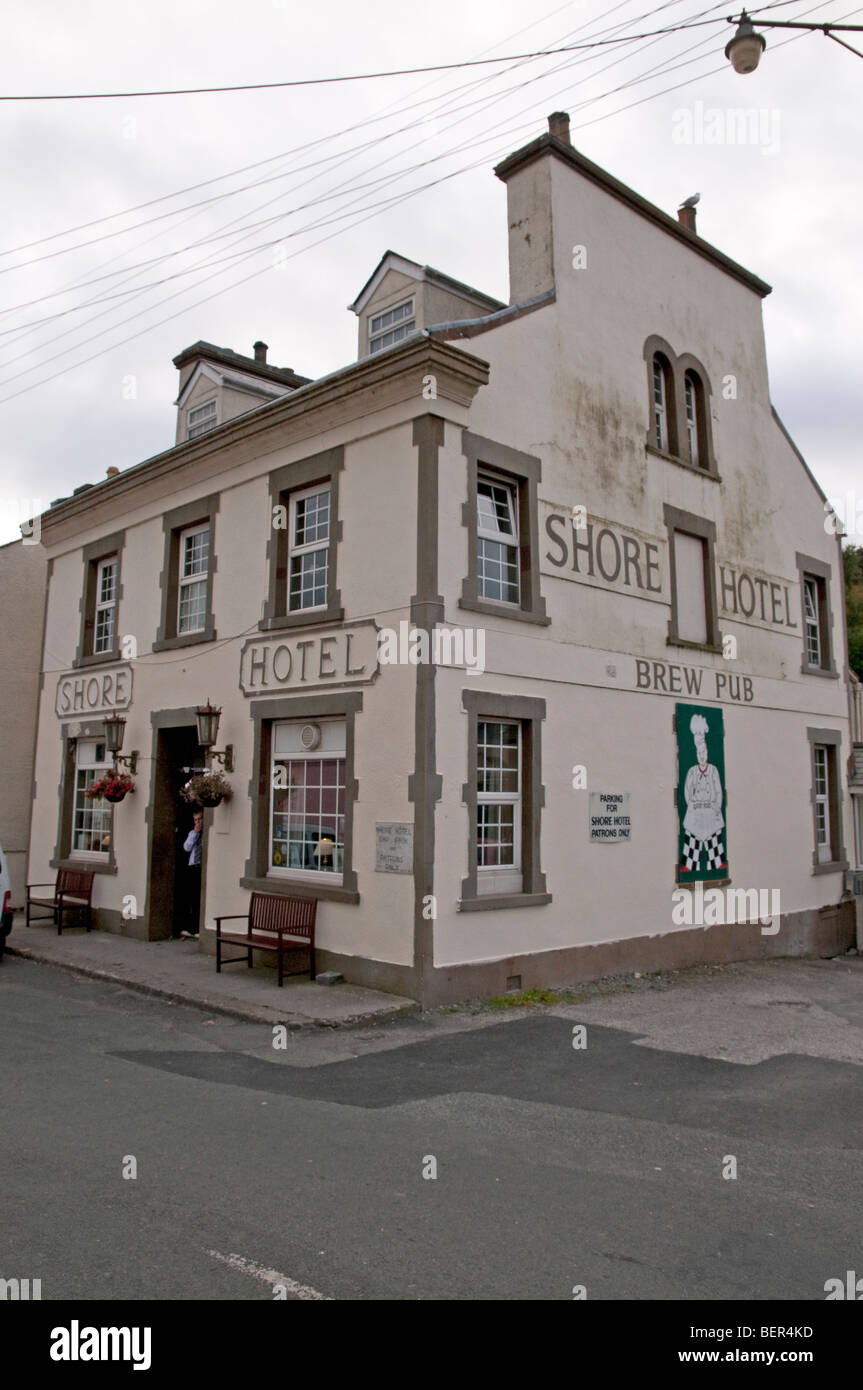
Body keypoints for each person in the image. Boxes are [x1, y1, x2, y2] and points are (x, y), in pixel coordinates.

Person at [681, 714, 726, 874]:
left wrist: (716, 807)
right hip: (696, 808)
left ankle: (717, 862)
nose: (702, 756)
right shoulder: (692, 771)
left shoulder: (713, 770)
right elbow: (687, 789)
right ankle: (689, 864)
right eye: (699, 753)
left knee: (714, 837)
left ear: (707, 753)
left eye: (704, 752)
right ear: (697, 754)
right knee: (692, 837)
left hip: (710, 807)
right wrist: (692, 804)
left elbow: (718, 790)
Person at [179, 808, 203, 939]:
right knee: (191, 899)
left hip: (201, 868)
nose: (198, 822)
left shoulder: (207, 833)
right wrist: (195, 833)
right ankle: (191, 928)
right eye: (195, 820)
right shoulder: (192, 833)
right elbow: (186, 847)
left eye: (200, 819)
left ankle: (198, 928)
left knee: (199, 899)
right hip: (192, 867)